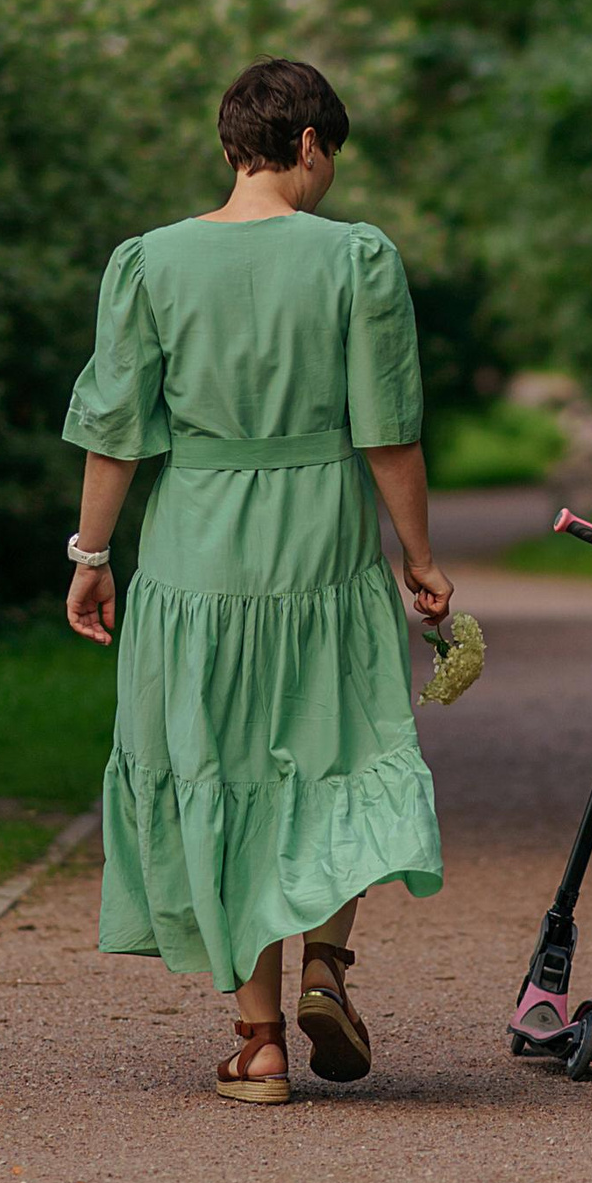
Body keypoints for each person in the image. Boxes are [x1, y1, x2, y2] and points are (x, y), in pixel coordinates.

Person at [61, 57, 454, 1106]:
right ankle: (326, 961)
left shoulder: (148, 262)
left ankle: (259, 1041)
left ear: (235, 145)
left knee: (219, 767)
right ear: (310, 144)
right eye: (332, 157)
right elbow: (389, 428)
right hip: (321, 543)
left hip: (194, 550)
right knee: (338, 749)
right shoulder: (358, 258)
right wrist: (418, 557)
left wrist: (92, 557)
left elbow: (114, 430)